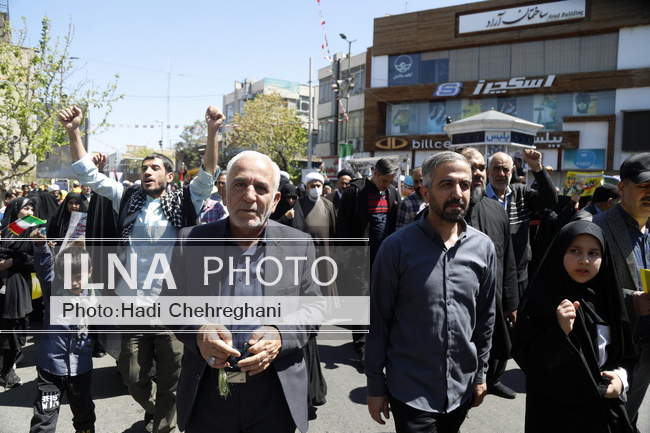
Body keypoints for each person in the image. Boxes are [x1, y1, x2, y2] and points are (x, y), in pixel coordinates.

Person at [57, 104, 222, 433]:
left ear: (169, 176)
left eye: (155, 168)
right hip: (131, 303)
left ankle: (162, 425)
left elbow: (208, 173)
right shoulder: (127, 197)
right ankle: (157, 410)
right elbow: (88, 175)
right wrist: (74, 131)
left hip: (172, 306)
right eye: (144, 168)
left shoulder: (186, 200)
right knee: (133, 376)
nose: (148, 172)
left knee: (172, 377)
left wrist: (212, 131)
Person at [171, 150, 322, 433]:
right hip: (208, 394)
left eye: (261, 188)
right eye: (240, 184)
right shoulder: (190, 241)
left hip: (274, 395)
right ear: (224, 192)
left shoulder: (299, 244)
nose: (249, 196)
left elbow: (315, 307)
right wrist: (199, 330)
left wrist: (280, 334)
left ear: (275, 200)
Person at [366, 151, 496, 433]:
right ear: (425, 192)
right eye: (446, 184)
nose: (457, 193)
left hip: (461, 390)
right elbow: (378, 321)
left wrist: (480, 374)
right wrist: (375, 385)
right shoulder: (396, 248)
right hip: (411, 391)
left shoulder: (483, 247)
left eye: (464, 185)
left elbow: (486, 318)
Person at [513, 221, 634, 433]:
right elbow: (528, 359)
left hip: (602, 413)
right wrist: (559, 332)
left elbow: (627, 355)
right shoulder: (542, 301)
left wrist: (621, 380)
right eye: (575, 251)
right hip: (556, 414)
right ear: (560, 251)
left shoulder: (610, 301)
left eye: (593, 253)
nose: (584, 260)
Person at [593, 153, 650, 431]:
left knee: (629, 415)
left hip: (645, 349)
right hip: (614, 352)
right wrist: (631, 301)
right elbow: (579, 290)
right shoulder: (596, 229)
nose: (649, 194)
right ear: (622, 188)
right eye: (643, 186)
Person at [460, 147, 519, 400]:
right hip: (459, 305)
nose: (478, 173)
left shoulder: (497, 211)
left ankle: (491, 380)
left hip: (494, 299)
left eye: (481, 168)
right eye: (471, 167)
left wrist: (511, 301)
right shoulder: (447, 212)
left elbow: (508, 259)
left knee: (497, 346)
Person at [29, 231, 96, 433]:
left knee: (84, 414)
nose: (74, 282)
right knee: (44, 417)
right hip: (51, 369)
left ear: (90, 272)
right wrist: (41, 247)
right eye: (68, 278)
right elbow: (45, 269)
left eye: (79, 277)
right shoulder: (55, 291)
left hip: (81, 368)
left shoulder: (95, 294)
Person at [337, 158, 401, 362]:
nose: (386, 185)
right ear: (375, 173)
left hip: (384, 256)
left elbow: (394, 224)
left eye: (390, 181)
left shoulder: (392, 192)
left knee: (382, 298)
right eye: (384, 181)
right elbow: (342, 226)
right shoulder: (355, 192)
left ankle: (380, 340)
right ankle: (361, 346)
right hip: (359, 257)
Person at [486, 150, 557, 300]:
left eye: (505, 169)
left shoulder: (521, 193)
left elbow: (550, 200)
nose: (501, 174)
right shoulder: (479, 198)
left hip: (519, 276)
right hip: (489, 275)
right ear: (488, 171)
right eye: (496, 169)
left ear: (512, 171)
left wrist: (537, 169)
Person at [0, 197, 37, 388]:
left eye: (31, 209)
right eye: (25, 208)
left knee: (18, 327)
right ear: (15, 211)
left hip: (19, 284)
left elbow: (35, 259)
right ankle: (6, 372)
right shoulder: (6, 231)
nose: (30, 212)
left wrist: (13, 261)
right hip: (4, 284)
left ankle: (8, 367)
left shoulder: (35, 232)